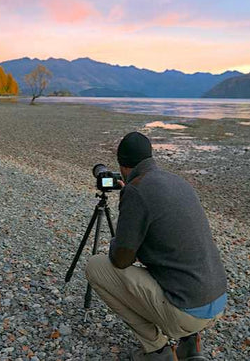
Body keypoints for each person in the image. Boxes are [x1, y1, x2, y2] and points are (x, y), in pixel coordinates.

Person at [85, 132, 227, 361]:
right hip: (218, 300)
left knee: (96, 267)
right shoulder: (177, 181)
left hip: (187, 311)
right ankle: (190, 344)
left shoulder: (136, 191)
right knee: (173, 257)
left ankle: (157, 350)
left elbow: (121, 260)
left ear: (122, 166)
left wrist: (127, 205)